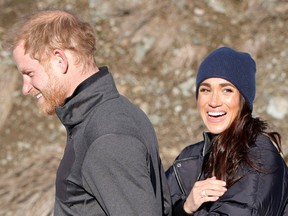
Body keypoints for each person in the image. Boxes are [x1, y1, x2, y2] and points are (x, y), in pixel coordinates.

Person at [5, 9, 172, 216]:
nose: (25, 88)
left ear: (59, 60)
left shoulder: (107, 136)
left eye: (29, 74)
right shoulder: (109, 114)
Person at [165, 47, 288, 215]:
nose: (214, 102)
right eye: (206, 90)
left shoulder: (258, 158)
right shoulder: (189, 159)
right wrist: (185, 208)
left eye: (227, 90)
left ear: (243, 99)